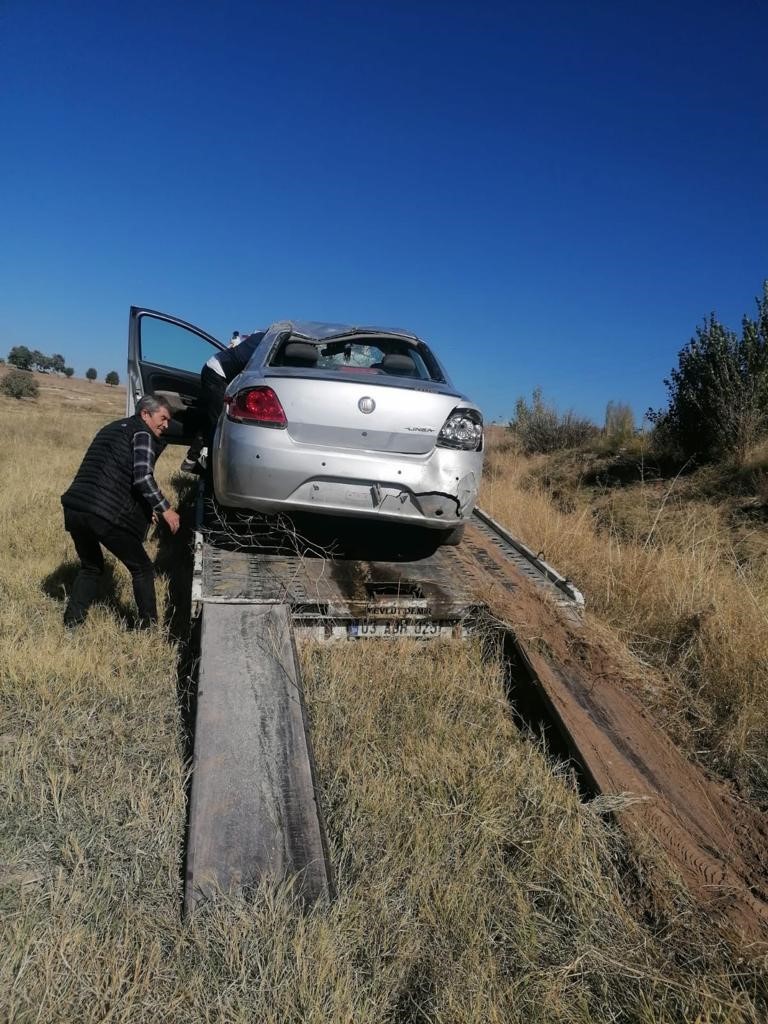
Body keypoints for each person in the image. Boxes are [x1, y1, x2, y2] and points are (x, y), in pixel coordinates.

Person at [60, 394, 181, 629]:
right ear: (146, 414)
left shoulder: (113, 427)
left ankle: (72, 624)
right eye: (163, 418)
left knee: (91, 566)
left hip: (75, 507)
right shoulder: (143, 432)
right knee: (142, 568)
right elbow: (142, 476)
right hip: (102, 513)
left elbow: (116, 471)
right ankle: (148, 628)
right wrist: (166, 509)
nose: (166, 425)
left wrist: (146, 509)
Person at [180, 331, 265, 473]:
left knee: (214, 418)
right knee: (219, 424)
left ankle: (191, 460)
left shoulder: (259, 336)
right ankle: (208, 466)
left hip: (216, 370)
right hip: (216, 373)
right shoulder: (264, 343)